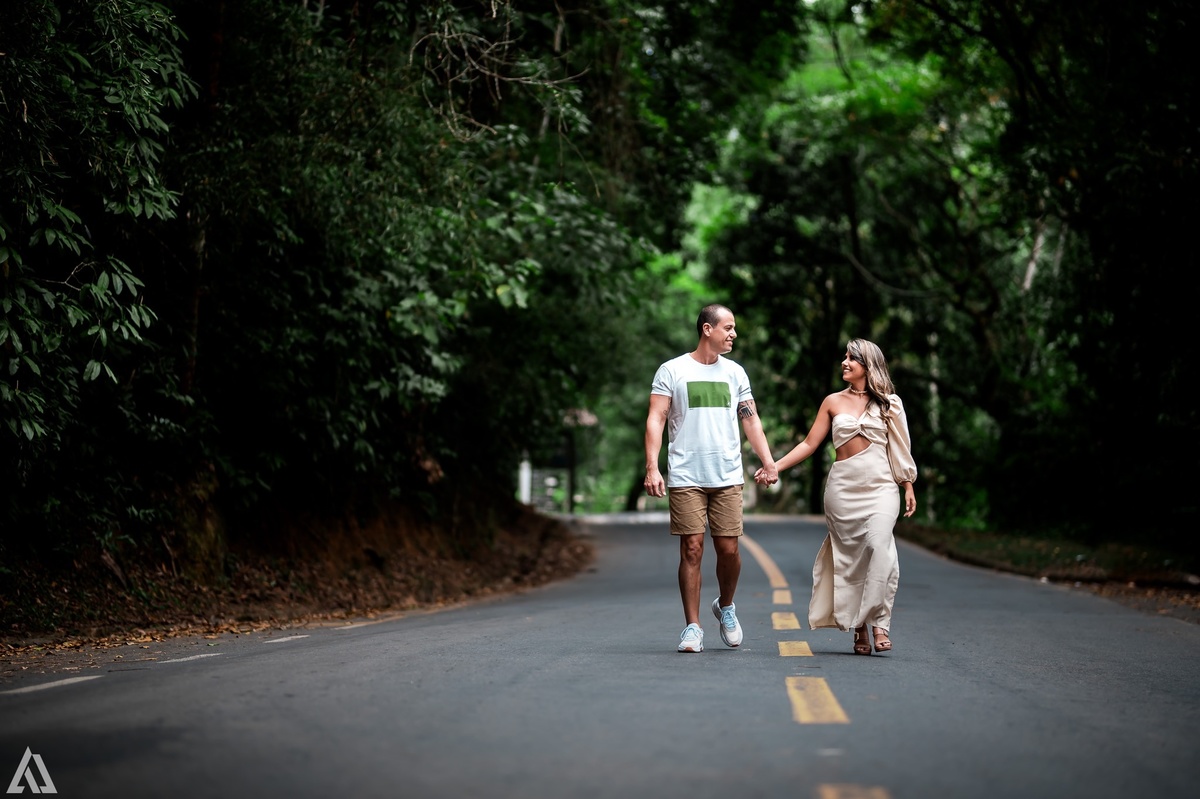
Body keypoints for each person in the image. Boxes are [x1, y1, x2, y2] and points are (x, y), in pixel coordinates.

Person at [757, 338, 916, 656]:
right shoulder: (832, 402)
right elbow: (809, 444)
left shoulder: (889, 403)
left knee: (879, 548)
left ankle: (879, 622)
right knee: (852, 561)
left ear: (867, 365)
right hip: (843, 490)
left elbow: (901, 446)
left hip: (882, 487)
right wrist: (775, 467)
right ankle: (858, 627)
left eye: (851, 358)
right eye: (844, 357)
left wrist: (907, 483)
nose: (844, 362)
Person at [645, 304, 778, 653]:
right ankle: (692, 627)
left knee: (729, 549)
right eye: (728, 328)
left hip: (727, 474)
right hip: (686, 473)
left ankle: (726, 605)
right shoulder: (672, 370)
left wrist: (768, 461)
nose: (733, 334)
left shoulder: (735, 373)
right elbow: (656, 418)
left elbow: (750, 420)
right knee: (692, 548)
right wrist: (651, 466)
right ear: (707, 329)